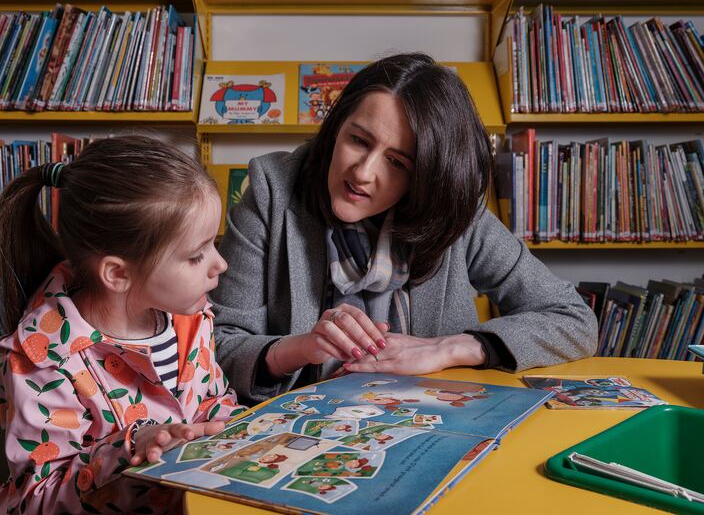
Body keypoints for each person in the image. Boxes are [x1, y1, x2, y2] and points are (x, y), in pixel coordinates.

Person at [210, 52, 598, 405]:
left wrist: (448, 348)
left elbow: (573, 320)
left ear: (428, 179)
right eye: (358, 140)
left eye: (397, 163)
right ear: (336, 127)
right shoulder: (270, 190)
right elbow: (219, 347)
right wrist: (297, 349)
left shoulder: (455, 214)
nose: (362, 173)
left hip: (430, 427)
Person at [0, 136, 245, 514]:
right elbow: (36, 500)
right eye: (196, 255)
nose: (220, 264)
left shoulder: (189, 317)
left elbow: (212, 402)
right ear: (117, 273)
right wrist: (131, 448)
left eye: (214, 243)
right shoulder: (40, 360)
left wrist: (240, 431)